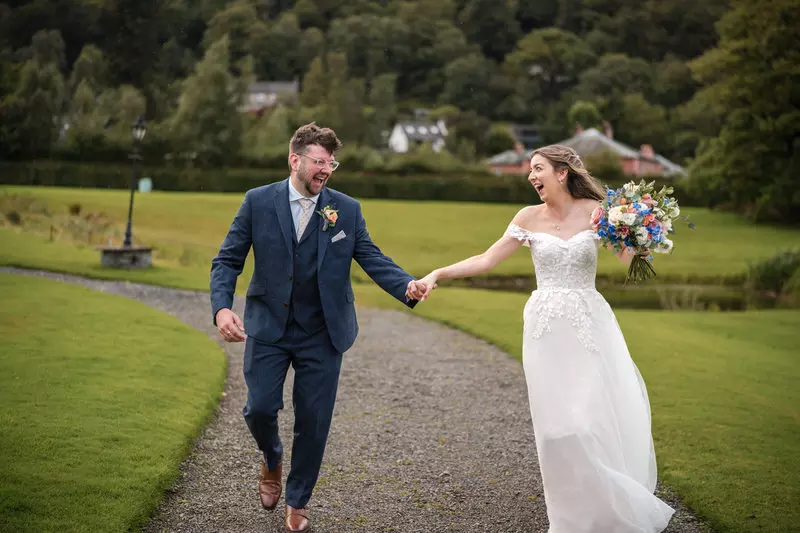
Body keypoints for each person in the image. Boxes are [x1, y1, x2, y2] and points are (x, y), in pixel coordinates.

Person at [412, 145, 675, 532]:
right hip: (544, 330)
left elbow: (631, 258)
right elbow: (486, 260)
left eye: (538, 169)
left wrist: (636, 227)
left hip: (589, 325)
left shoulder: (597, 212)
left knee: (587, 423)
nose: (531, 177)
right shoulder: (527, 218)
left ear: (562, 172)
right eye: (529, 171)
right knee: (555, 431)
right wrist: (436, 274)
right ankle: (570, 519)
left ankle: (609, 511)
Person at [210, 123, 426, 532]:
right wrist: (222, 308)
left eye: (331, 162)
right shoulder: (257, 202)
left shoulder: (346, 209)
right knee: (259, 409)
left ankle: (298, 499)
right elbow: (226, 260)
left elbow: (371, 257)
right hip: (269, 327)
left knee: (313, 419)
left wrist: (407, 286)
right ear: (295, 160)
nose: (326, 169)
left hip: (323, 332)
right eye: (319, 161)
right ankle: (271, 458)